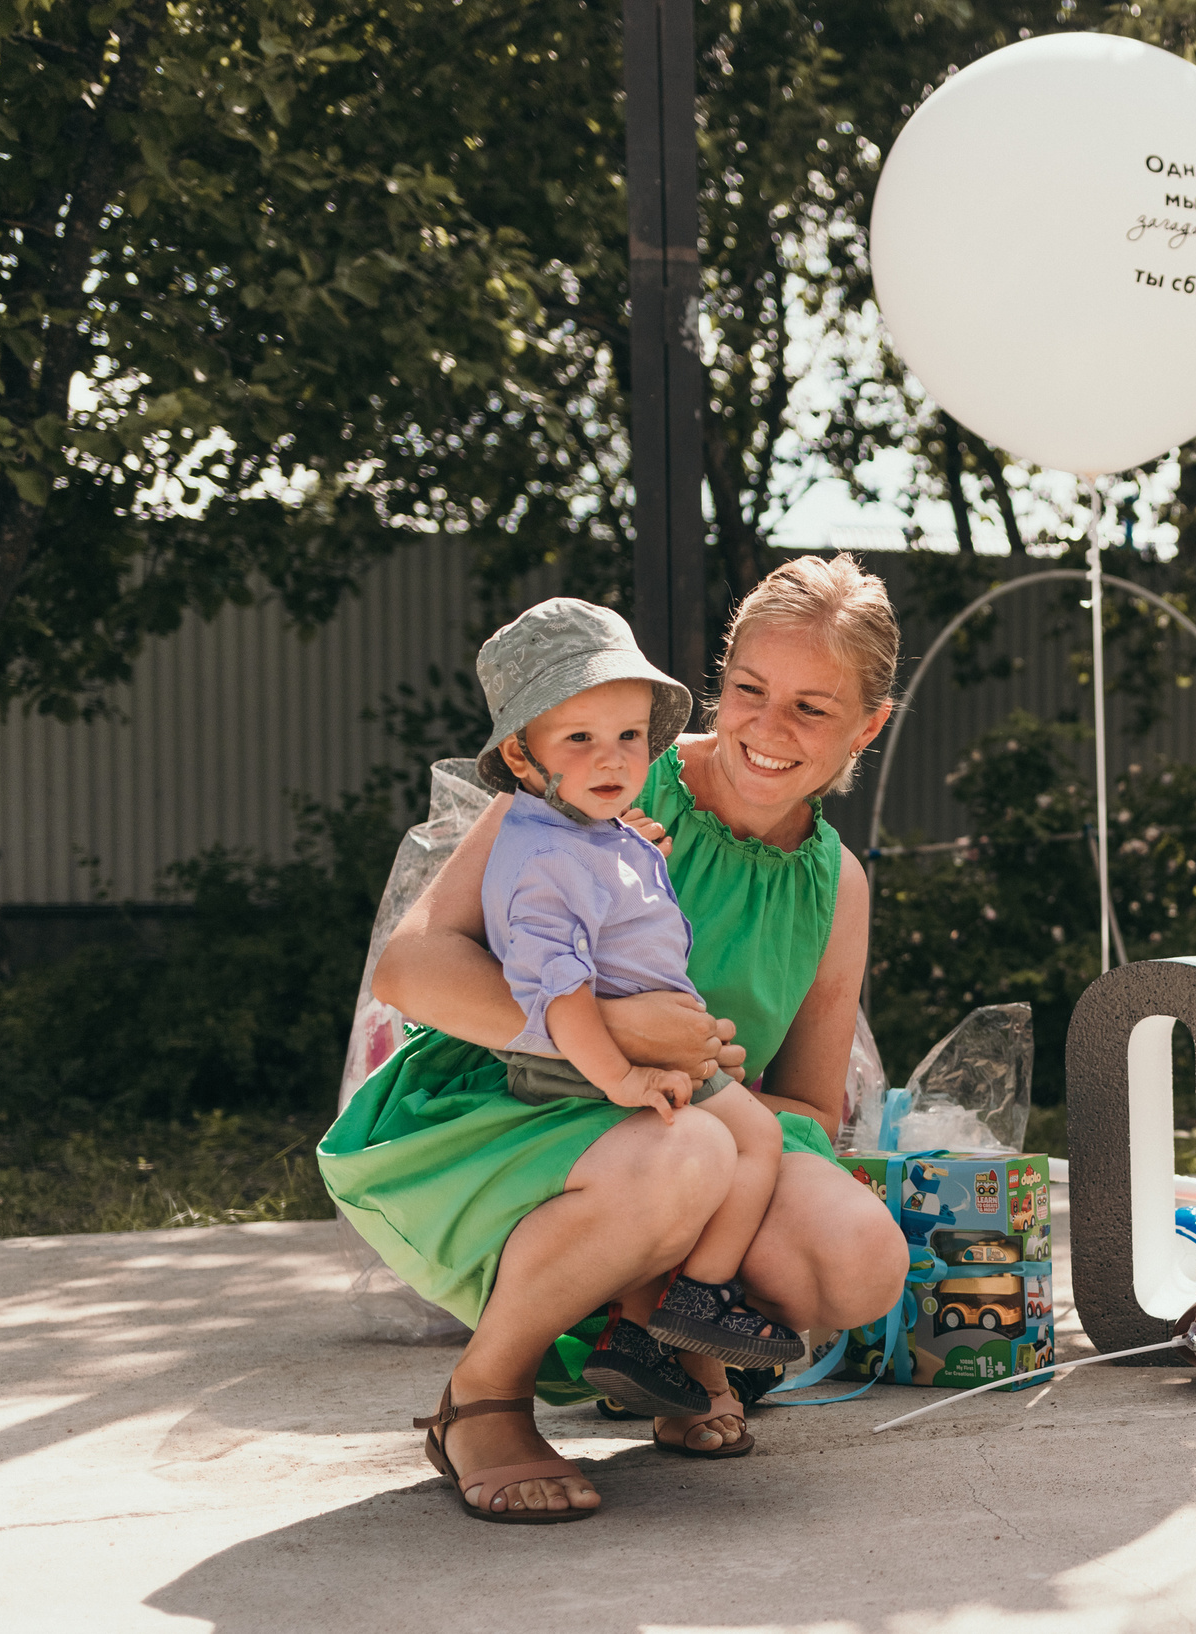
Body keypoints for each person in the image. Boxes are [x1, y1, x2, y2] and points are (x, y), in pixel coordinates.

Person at [320, 555, 909, 1524]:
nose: (767, 728)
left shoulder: (834, 883)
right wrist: (609, 1026)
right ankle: (482, 1396)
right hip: (513, 1099)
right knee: (682, 1154)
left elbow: (807, 1107)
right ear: (720, 680)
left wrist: (697, 1072)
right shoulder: (606, 762)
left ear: (867, 726)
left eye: (813, 707)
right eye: (750, 689)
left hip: (683, 1128)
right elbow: (411, 968)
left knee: (857, 1259)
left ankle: (664, 1340)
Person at [471, 598, 804, 1385]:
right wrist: (621, 1075)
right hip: (590, 1056)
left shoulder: (593, 830)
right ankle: (698, 1300)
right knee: (745, 1140)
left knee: (744, 1141)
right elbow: (558, 994)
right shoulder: (546, 860)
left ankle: (649, 1330)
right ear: (523, 758)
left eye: (628, 737)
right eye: (579, 739)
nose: (613, 759)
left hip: (630, 1042)